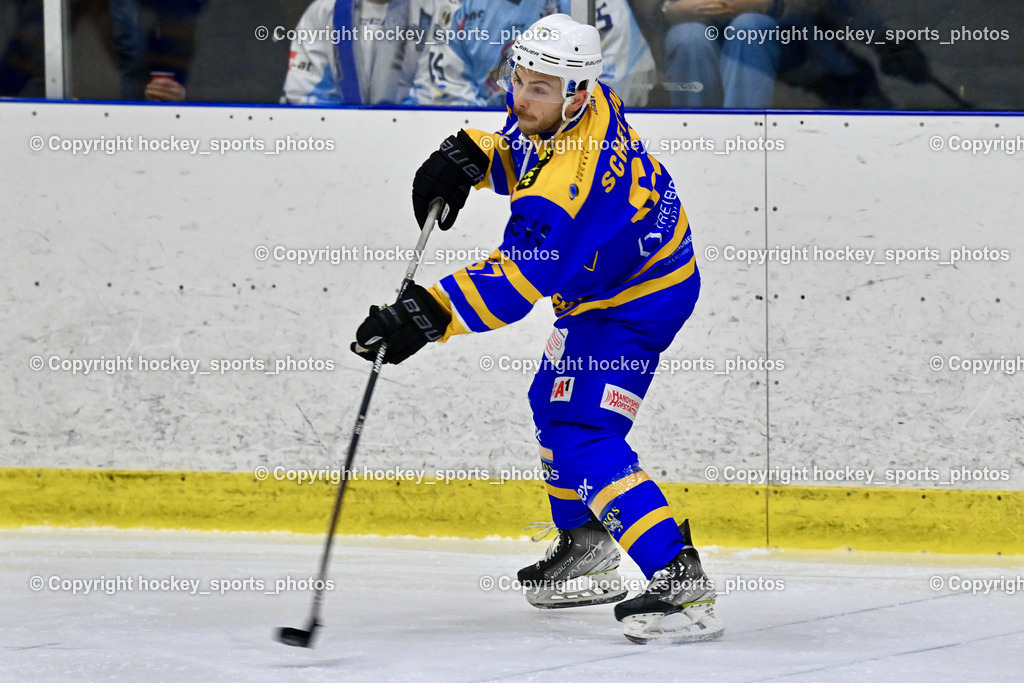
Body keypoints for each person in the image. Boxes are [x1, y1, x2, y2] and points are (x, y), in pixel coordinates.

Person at [351, 13, 724, 644]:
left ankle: (677, 577)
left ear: (575, 92)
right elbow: (525, 149)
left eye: (538, 88)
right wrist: (474, 152)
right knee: (549, 404)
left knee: (582, 432)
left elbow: (513, 285)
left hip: (637, 299)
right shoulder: (573, 101)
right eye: (517, 80)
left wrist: (424, 315)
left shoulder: (564, 190)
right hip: (611, 279)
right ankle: (587, 544)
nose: (520, 97)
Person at [403, 0, 657, 108]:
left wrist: (553, 120)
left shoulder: (593, 3)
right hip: (496, 141)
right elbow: (443, 92)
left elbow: (619, 78)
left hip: (577, 142)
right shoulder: (458, 5)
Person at [280, 0, 433, 106]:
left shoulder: (436, 11)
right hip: (341, 137)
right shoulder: (323, 11)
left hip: (415, 135)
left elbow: (437, 95)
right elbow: (304, 96)